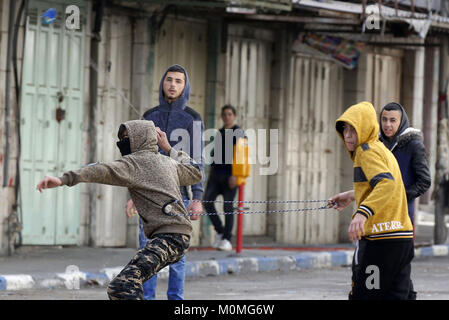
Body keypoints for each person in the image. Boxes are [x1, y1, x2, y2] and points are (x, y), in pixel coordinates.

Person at [36, 120, 202, 300]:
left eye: (126, 138)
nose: (122, 142)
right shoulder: (168, 162)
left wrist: (63, 179)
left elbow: (100, 169)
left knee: (122, 286)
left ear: (140, 139)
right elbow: (195, 171)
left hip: (169, 237)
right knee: (129, 283)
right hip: (178, 236)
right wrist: (169, 148)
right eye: (121, 138)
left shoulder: (133, 163)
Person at [127, 64, 204, 300]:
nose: (172, 85)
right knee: (147, 255)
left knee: (177, 257)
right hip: (149, 197)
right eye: (169, 79)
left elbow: (197, 162)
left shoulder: (193, 119)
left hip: (178, 197)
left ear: (185, 86)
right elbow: (137, 160)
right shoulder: (149, 117)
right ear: (163, 83)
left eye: (178, 81)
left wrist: (197, 198)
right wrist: (133, 195)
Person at [329, 101, 415, 300]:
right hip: (401, 239)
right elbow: (388, 184)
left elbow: (386, 183)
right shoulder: (381, 149)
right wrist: (352, 195)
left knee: (364, 295)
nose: (348, 135)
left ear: (365, 128)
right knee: (400, 296)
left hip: (380, 242)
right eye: (345, 130)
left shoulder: (365, 151)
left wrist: (362, 212)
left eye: (353, 129)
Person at [379, 102, 431, 300]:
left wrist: (399, 196)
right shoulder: (378, 145)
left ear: (401, 122)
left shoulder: (413, 145)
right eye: (384, 120)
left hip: (402, 217)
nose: (388, 125)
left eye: (393, 120)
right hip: (378, 215)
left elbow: (424, 181)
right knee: (384, 266)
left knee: (400, 267)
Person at [204, 105, 245, 251]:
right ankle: (220, 232)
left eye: (229, 114)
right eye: (224, 114)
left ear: (234, 116)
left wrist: (235, 175)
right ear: (222, 117)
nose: (227, 117)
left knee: (228, 207)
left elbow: (242, 155)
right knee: (207, 202)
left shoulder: (239, 133)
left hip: (230, 176)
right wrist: (210, 173)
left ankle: (227, 239)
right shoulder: (220, 132)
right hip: (216, 175)